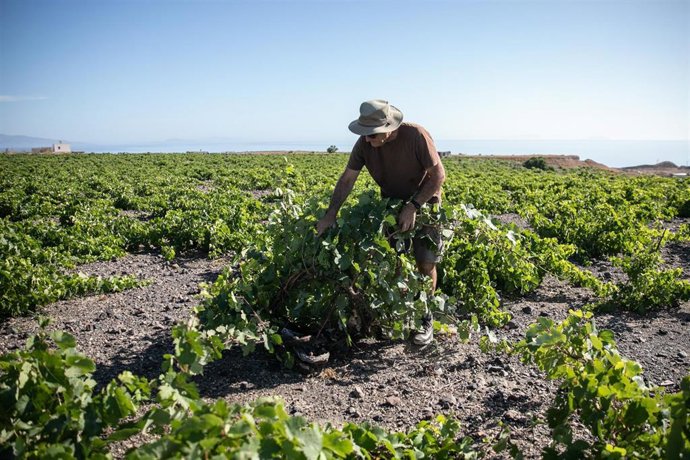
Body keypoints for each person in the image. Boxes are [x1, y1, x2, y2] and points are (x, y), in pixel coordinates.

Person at [316, 99, 446, 345]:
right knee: (394, 261)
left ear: (388, 128)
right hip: (390, 207)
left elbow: (438, 175)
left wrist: (413, 206)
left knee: (425, 263)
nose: (367, 139)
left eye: (372, 135)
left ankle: (424, 318)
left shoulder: (417, 135)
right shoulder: (364, 143)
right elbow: (347, 180)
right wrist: (330, 214)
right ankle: (395, 313)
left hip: (426, 203)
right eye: (364, 134)